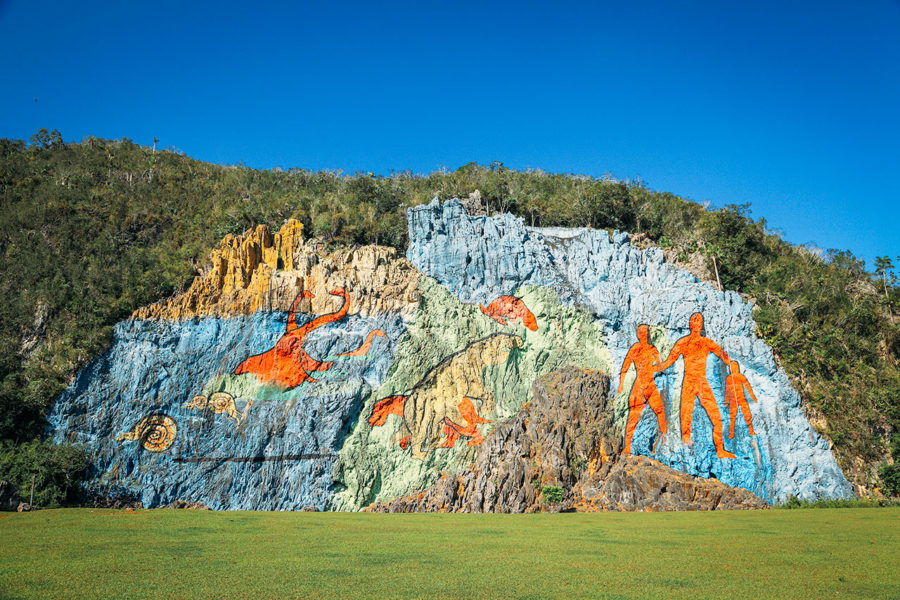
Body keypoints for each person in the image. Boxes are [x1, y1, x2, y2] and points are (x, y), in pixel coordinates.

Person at [655, 312, 735, 459]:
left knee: (716, 418)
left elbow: (723, 355)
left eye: (699, 320)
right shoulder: (683, 342)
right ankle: (686, 446)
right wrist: (653, 369)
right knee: (685, 416)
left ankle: (720, 450)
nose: (697, 322)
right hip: (689, 382)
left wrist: (732, 364)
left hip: (702, 383)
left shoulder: (707, 342)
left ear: (702, 324)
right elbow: (668, 362)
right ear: (690, 324)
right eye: (694, 320)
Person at [618, 324, 667, 454]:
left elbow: (661, 366)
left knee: (660, 411)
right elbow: (625, 367)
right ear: (638, 334)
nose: (643, 334)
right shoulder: (635, 348)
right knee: (634, 414)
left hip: (650, 384)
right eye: (641, 331)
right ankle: (628, 446)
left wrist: (653, 369)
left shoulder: (652, 349)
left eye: (645, 331)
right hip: (639, 385)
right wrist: (621, 384)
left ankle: (664, 441)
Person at [725, 360, 758, 438]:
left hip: (741, 399)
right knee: (732, 417)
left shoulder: (740, 376)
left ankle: (751, 431)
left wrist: (753, 397)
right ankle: (731, 433)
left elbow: (748, 387)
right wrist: (726, 401)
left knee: (747, 415)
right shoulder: (729, 378)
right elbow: (727, 391)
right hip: (733, 400)